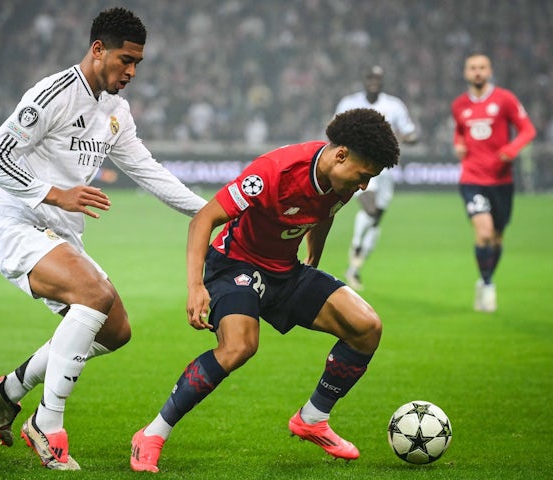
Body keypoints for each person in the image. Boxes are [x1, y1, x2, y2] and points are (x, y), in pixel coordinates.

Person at [0, 7, 207, 470]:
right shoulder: (53, 93)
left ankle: (7, 391)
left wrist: (212, 212)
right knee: (94, 294)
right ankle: (47, 423)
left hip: (60, 237)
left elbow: (148, 171)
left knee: (116, 331)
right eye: (125, 59)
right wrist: (54, 193)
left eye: (138, 63)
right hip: (15, 226)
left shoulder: (115, 111)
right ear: (98, 49)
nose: (132, 72)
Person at [129, 108, 400, 473]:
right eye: (364, 175)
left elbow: (325, 212)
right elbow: (203, 219)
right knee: (239, 346)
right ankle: (152, 433)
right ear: (340, 155)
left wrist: (314, 254)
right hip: (235, 265)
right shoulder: (274, 172)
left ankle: (313, 418)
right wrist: (195, 286)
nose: (364, 185)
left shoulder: (342, 182)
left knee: (367, 327)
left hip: (285, 272)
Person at [451, 54, 536, 312]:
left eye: (482, 68)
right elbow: (459, 129)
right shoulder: (459, 105)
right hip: (472, 179)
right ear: (466, 73)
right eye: (473, 68)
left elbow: (528, 129)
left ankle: (486, 278)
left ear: (489, 71)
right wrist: (458, 143)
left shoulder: (505, 99)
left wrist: (512, 148)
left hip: (501, 180)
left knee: (497, 237)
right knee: (484, 232)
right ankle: (487, 285)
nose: (477, 72)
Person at [335, 65, 418, 291]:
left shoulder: (393, 105)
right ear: (364, 79)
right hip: (358, 165)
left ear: (382, 81)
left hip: (386, 169)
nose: (374, 81)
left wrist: (409, 137)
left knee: (376, 218)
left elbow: (410, 132)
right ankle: (356, 245)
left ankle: (356, 265)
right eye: (370, 77)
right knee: (370, 209)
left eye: (378, 78)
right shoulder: (349, 103)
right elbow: (334, 132)